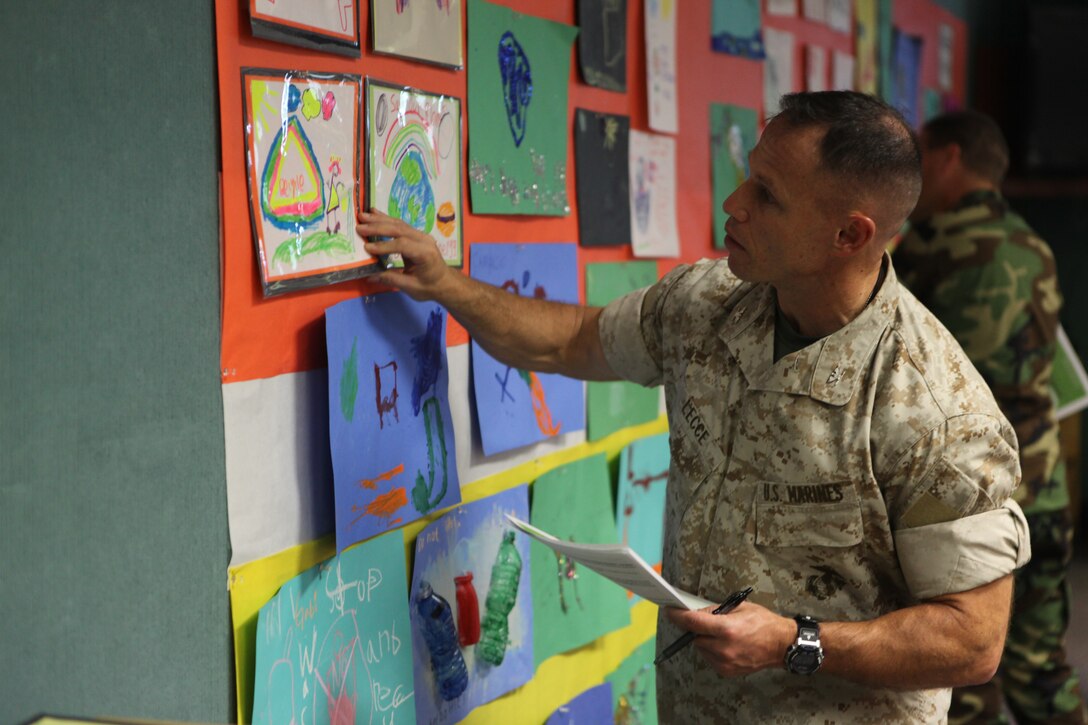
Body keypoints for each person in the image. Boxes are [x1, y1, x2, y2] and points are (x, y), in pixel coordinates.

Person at [358, 91, 1031, 723]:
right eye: (749, 177)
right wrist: (444, 282)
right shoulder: (707, 305)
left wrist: (796, 642)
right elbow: (570, 339)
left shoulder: (936, 407)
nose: (733, 203)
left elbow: (973, 639)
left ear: (849, 236)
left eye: (768, 195)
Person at [896, 110, 1087, 725]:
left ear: (949, 158)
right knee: (1039, 665)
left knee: (963, 684)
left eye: (921, 155)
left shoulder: (931, 247)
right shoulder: (1033, 243)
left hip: (974, 503)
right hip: (1048, 488)